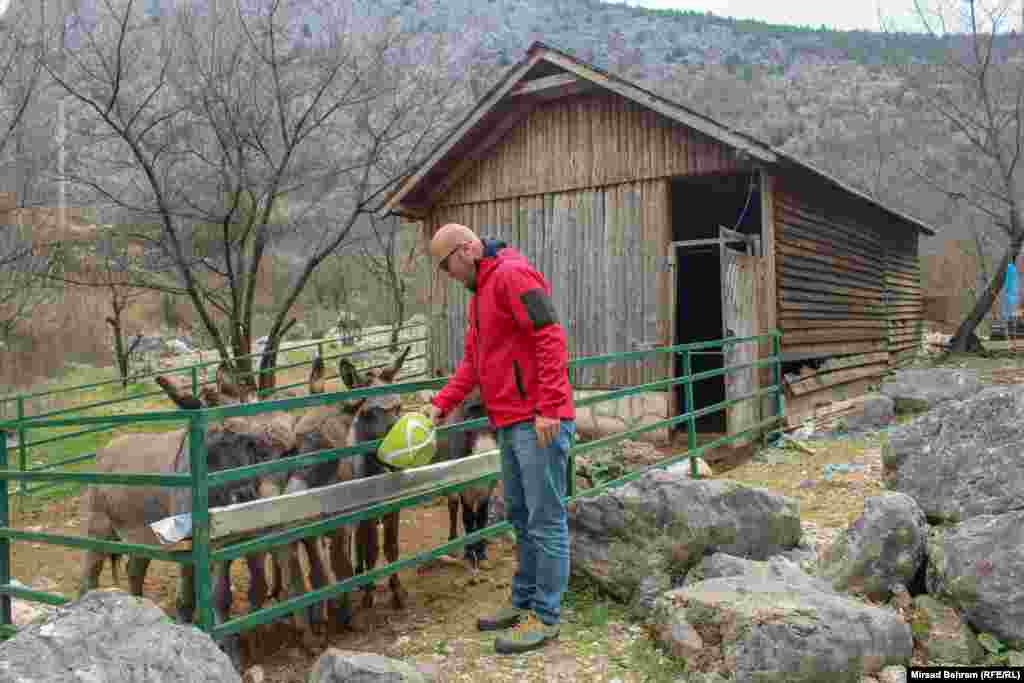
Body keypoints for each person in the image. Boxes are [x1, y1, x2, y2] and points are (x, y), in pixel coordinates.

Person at [427, 222, 576, 655]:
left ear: (467, 251)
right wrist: (440, 405)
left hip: (537, 420)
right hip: (508, 422)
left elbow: (549, 334)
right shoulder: (480, 296)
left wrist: (549, 405)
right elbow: (473, 364)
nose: (448, 275)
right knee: (518, 514)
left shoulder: (513, 275)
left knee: (545, 518)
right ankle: (525, 601)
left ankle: (545, 616)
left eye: (446, 265)